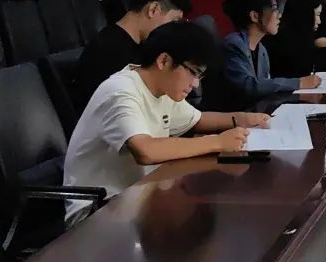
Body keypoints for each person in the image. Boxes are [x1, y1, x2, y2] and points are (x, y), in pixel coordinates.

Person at [63, 21, 269, 224]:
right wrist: (218, 142)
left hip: (139, 195)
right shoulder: (121, 92)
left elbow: (197, 120)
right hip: (97, 210)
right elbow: (146, 150)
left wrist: (244, 119)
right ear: (164, 61)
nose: (195, 84)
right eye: (193, 72)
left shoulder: (163, 88)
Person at [74, 0, 192, 111]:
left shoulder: (135, 46)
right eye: (174, 21)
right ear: (153, 9)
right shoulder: (111, 54)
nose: (172, 30)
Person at [203, 0, 321, 111]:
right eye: (274, 9)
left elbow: (265, 88)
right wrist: (299, 83)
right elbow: (250, 86)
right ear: (254, 16)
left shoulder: (261, 49)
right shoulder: (233, 44)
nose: (279, 15)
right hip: (228, 116)